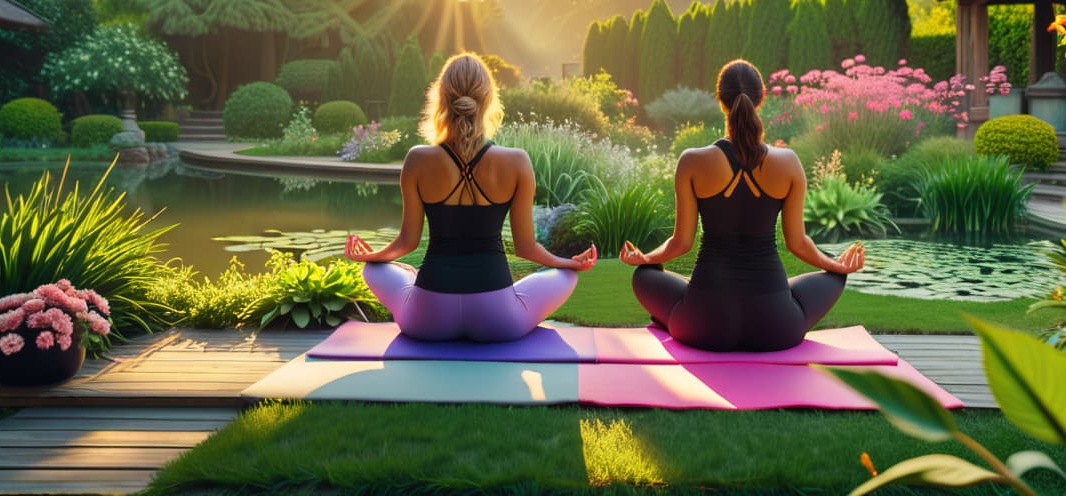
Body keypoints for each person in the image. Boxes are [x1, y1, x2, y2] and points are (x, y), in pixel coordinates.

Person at [345, 53, 597, 342]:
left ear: (441, 98)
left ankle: (410, 277)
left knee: (372, 270)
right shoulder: (517, 161)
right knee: (565, 277)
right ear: (489, 99)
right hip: (498, 320)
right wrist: (568, 263)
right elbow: (526, 248)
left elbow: (407, 241)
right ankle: (419, 280)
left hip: (427, 319)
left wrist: (372, 257)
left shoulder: (417, 160)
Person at [619, 59, 864, 352]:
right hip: (776, 326)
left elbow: (681, 243)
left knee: (645, 275)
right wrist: (837, 266)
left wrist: (645, 258)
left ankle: (672, 318)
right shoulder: (788, 163)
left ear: (720, 100)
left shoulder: (692, 161)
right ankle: (778, 299)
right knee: (835, 276)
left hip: (703, 325)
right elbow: (797, 243)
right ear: (760, 98)